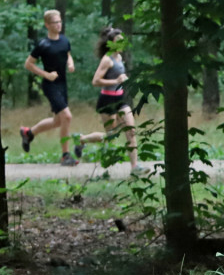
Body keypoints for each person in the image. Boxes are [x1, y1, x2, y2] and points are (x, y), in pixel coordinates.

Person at [73, 27, 142, 171]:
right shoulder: (107, 60)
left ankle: (135, 167)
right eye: (118, 42)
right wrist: (116, 80)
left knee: (131, 131)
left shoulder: (119, 57)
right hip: (107, 101)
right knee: (110, 136)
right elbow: (96, 81)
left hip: (120, 99)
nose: (122, 45)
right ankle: (82, 139)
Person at [20, 10, 79, 166]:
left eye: (60, 21)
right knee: (67, 117)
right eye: (55, 22)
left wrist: (70, 62)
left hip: (62, 84)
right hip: (50, 85)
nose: (59, 24)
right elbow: (28, 64)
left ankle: (28, 133)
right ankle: (65, 155)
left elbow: (67, 53)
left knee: (58, 122)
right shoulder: (42, 44)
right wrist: (46, 75)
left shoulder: (65, 40)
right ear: (47, 25)